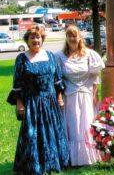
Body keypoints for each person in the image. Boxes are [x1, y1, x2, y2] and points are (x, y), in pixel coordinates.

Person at [10, 25, 69, 174]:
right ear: (27, 41)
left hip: (50, 102)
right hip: (32, 103)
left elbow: (57, 80)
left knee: (51, 133)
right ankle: (35, 165)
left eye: (38, 37)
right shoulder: (22, 59)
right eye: (32, 38)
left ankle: (52, 163)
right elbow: (17, 84)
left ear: (42, 39)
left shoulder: (50, 56)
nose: (36, 40)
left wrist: (59, 97)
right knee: (32, 135)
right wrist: (19, 103)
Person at [55, 25, 105, 166]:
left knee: (86, 124)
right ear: (66, 37)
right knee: (72, 125)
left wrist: (95, 94)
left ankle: (88, 156)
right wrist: (59, 96)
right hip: (69, 96)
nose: (72, 38)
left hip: (86, 95)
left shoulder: (89, 54)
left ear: (80, 37)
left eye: (75, 35)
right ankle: (71, 158)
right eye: (69, 35)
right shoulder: (59, 56)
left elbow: (95, 77)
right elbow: (57, 79)